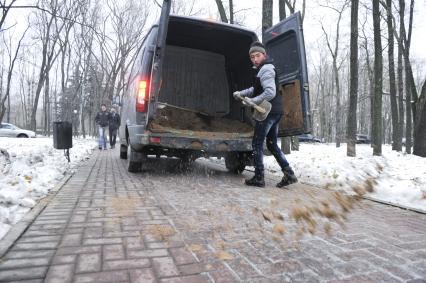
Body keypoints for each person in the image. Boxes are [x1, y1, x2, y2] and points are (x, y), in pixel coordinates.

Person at [233, 41, 298, 188]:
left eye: (257, 55)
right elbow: (256, 88)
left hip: (267, 112)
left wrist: (252, 101)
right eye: (252, 57)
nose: (255, 59)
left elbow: (270, 92)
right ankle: (289, 173)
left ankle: (259, 177)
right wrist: (241, 94)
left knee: (257, 143)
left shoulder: (266, 69)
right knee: (271, 143)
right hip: (275, 111)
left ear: (264, 55)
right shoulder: (263, 69)